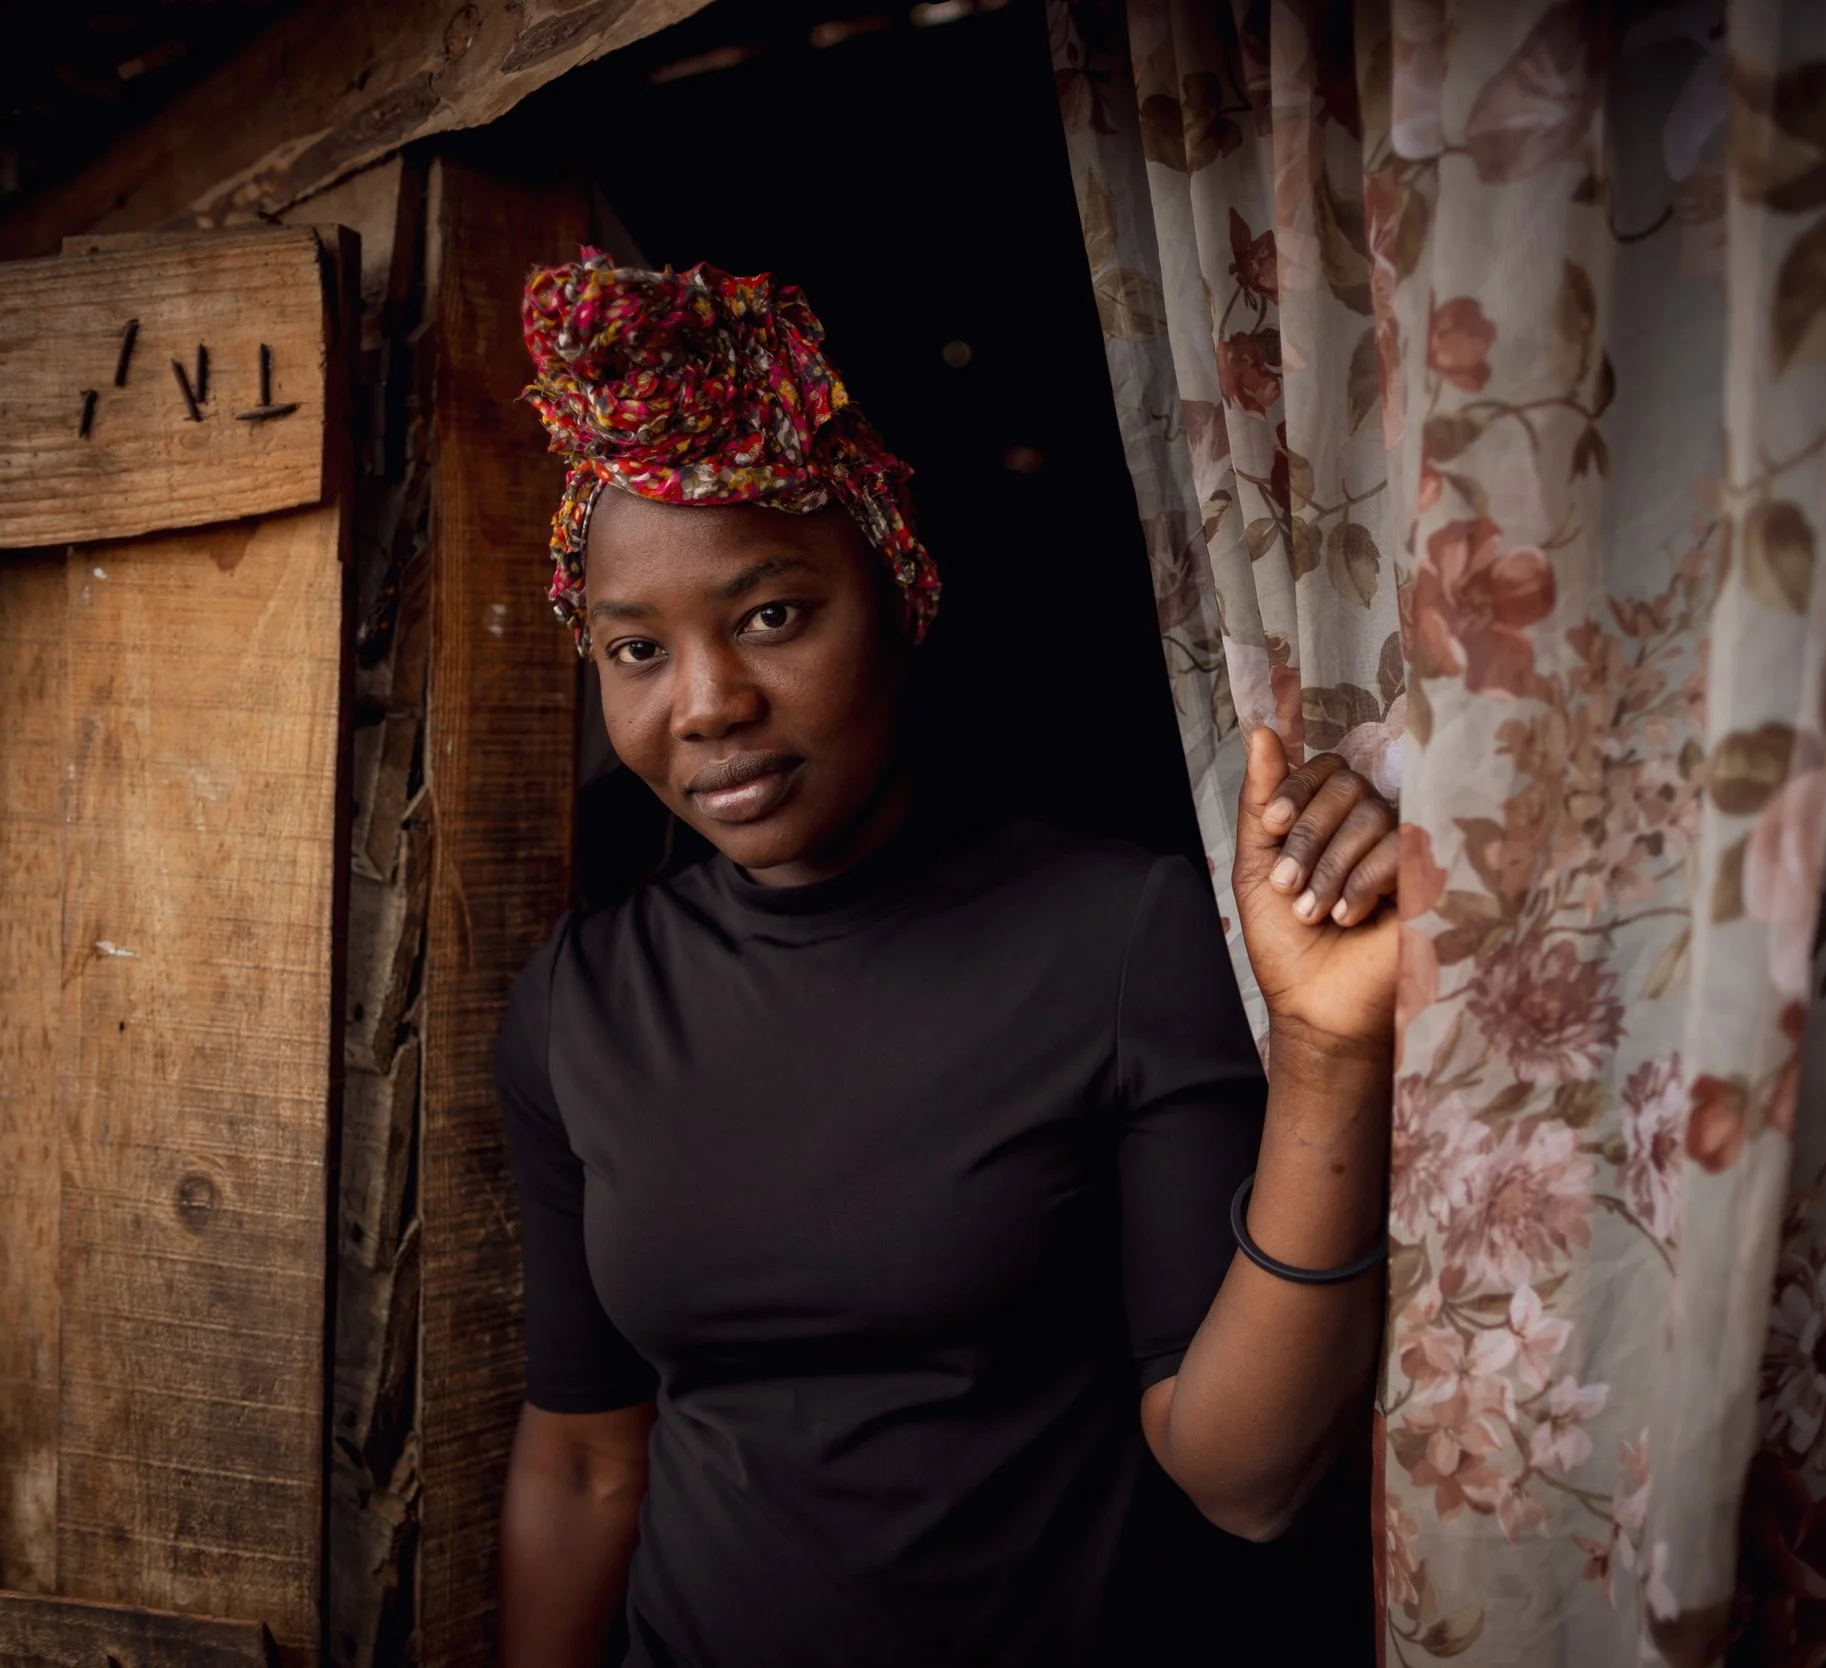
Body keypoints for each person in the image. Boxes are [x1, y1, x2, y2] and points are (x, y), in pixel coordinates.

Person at [496, 253, 1400, 1668]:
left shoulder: (1117, 938)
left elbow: (1246, 1476)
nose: (710, 703)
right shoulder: (583, 1005)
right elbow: (586, 1463)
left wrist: (1334, 1058)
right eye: (634, 650)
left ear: (898, 595)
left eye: (772, 615)